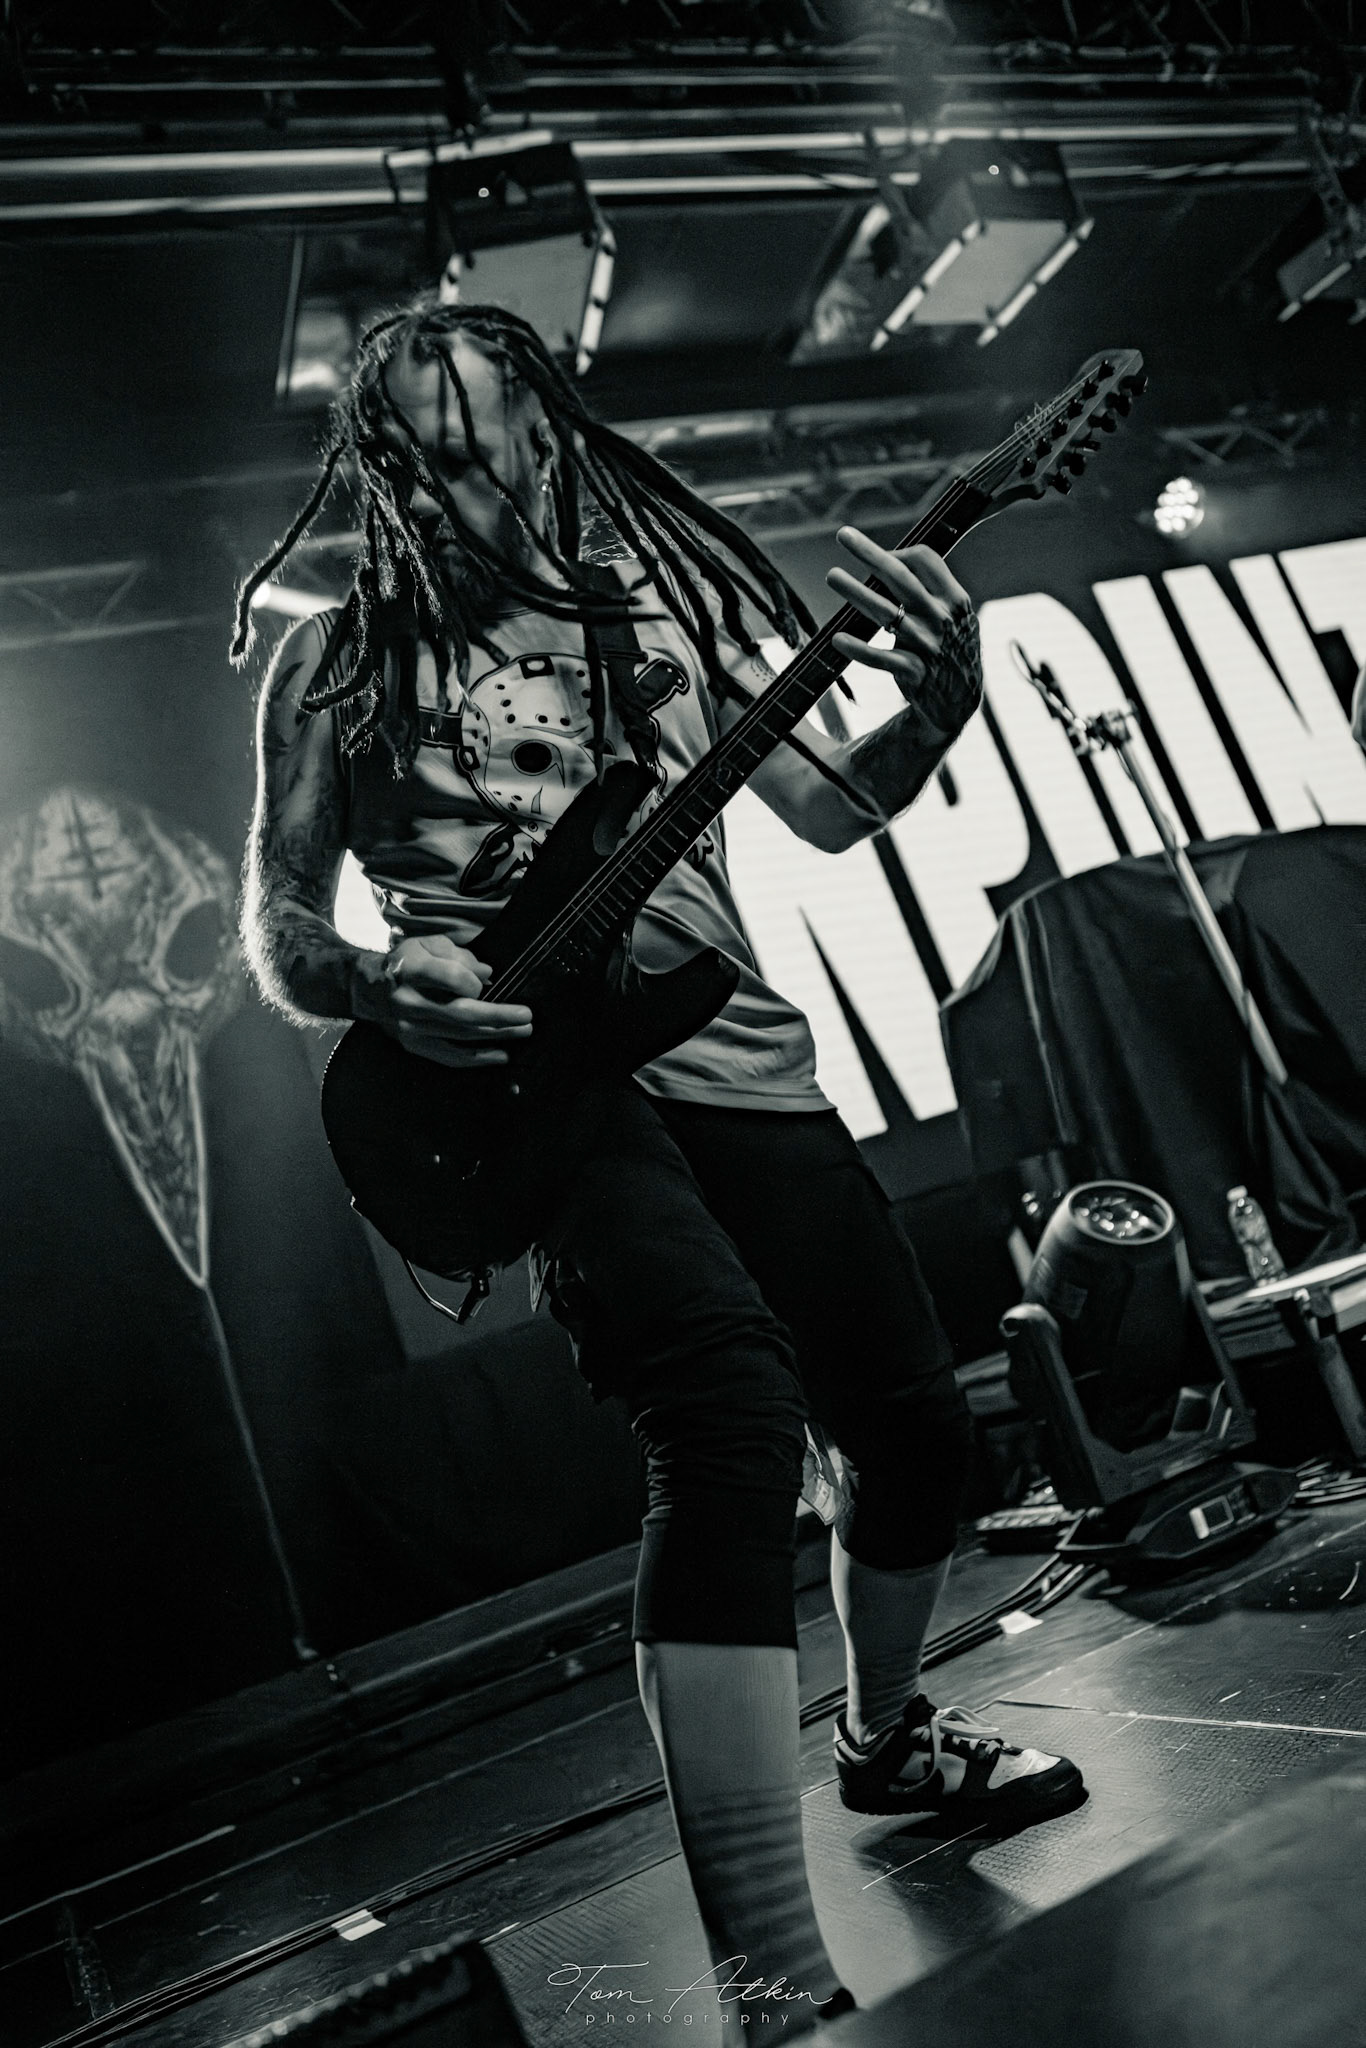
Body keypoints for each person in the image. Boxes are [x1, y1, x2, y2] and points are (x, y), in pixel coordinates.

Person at [239, 296, 1084, 2023]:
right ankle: (768, 1964)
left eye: (480, 429)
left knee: (915, 1436)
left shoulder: (659, 607)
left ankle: (887, 1735)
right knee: (723, 1415)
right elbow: (277, 917)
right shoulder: (331, 657)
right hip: (544, 1089)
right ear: (376, 461)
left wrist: (941, 698)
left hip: (738, 1057)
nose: (456, 466)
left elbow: (835, 808)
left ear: (546, 429)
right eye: (415, 444)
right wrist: (376, 985)